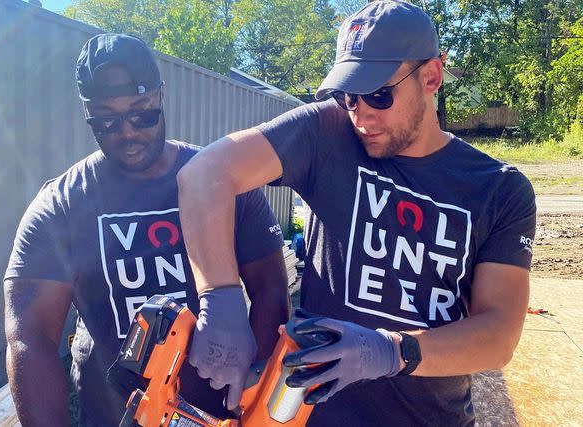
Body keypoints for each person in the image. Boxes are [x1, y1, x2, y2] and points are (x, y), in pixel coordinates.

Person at [176, 1, 536, 425]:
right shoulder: (327, 135)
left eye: (379, 94)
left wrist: (392, 351)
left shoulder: (498, 189)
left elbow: (499, 334)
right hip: (311, 416)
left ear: (431, 77)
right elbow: (205, 174)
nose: (360, 113)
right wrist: (219, 298)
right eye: (348, 96)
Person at [3, 33, 289, 427]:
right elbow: (30, 340)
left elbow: (270, 289)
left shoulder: (223, 184)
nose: (127, 132)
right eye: (106, 120)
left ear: (160, 95)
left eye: (142, 113)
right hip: (110, 415)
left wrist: (252, 399)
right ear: (86, 110)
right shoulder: (62, 206)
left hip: (213, 416)